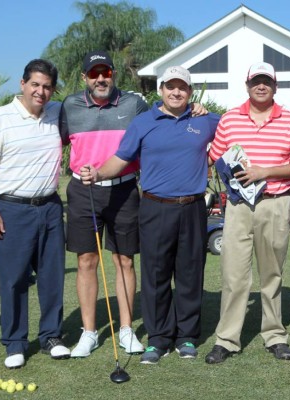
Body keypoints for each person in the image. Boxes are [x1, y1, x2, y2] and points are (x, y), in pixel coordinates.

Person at [80, 66, 220, 364]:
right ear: (161, 90)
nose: (176, 92)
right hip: (155, 207)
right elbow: (121, 158)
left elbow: (238, 126)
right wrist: (99, 172)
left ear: (190, 92)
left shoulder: (205, 121)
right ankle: (158, 339)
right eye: (171, 86)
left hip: (193, 206)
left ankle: (186, 337)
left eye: (182, 87)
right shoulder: (143, 122)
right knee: (155, 274)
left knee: (189, 273)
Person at [204, 62, 290, 364]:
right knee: (233, 274)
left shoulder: (289, 120)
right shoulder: (229, 120)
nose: (261, 86)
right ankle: (227, 339)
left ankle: (275, 335)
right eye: (256, 81)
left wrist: (265, 171)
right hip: (238, 207)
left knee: (271, 274)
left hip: (276, 204)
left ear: (275, 87)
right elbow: (216, 158)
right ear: (247, 85)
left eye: (266, 82)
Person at [0, 59, 70, 369]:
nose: (40, 91)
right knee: (14, 279)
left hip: (51, 206)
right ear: (23, 84)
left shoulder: (57, 113)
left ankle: (51, 336)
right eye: (35, 84)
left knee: (52, 276)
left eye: (47, 87)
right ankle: (14, 342)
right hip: (12, 208)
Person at [59, 50, 148, 357]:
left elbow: (162, 122)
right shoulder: (69, 106)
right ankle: (89, 332)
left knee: (124, 260)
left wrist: (199, 109)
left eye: (106, 73)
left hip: (124, 190)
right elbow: (54, 142)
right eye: (94, 74)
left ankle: (126, 329)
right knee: (86, 261)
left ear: (113, 74)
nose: (100, 79)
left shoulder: (134, 104)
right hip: (84, 192)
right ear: (85, 77)